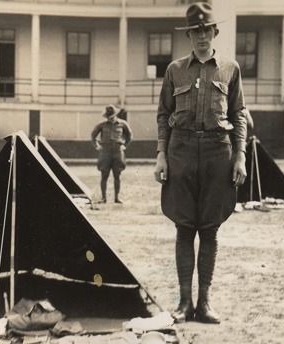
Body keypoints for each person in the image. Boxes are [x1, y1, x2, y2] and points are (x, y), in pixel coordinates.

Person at [153, 2, 247, 324]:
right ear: (189, 36)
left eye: (206, 30)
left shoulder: (230, 68)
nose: (202, 37)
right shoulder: (174, 70)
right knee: (183, 228)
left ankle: (204, 303)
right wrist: (162, 154)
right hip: (180, 151)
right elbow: (164, 115)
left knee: (209, 230)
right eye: (195, 32)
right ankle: (183, 303)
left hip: (217, 152)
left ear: (214, 32)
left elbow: (238, 115)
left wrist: (240, 156)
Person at [90, 105, 132, 203]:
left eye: (112, 116)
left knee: (117, 175)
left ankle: (117, 198)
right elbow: (93, 135)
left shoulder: (123, 124)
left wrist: (124, 145)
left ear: (115, 115)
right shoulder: (101, 125)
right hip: (105, 151)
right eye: (108, 117)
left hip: (118, 151)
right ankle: (103, 198)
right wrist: (97, 146)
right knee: (104, 174)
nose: (110, 118)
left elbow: (129, 135)